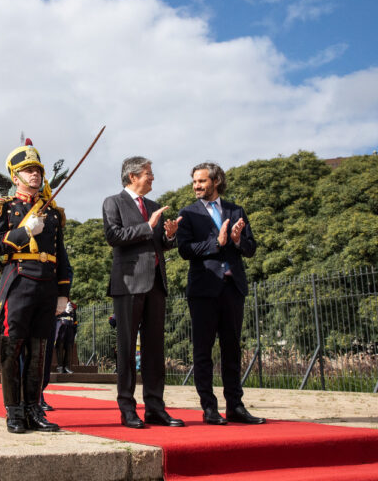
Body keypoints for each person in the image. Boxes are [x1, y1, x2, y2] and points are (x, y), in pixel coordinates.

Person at [0, 138, 71, 434]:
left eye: (37, 170)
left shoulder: (53, 213)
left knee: (39, 350)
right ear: (15, 176)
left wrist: (63, 292)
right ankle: (14, 411)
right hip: (20, 280)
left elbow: (61, 255)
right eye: (28, 170)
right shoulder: (3, 208)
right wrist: (23, 232)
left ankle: (34, 409)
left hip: (47, 284)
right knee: (13, 347)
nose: (35, 174)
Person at [176, 162, 265, 425]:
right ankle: (209, 408)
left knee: (232, 349)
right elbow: (184, 250)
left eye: (201, 181)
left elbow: (250, 248)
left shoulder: (236, 210)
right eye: (194, 182)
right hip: (203, 290)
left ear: (216, 181)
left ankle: (235, 405)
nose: (196, 186)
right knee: (203, 350)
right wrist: (217, 242)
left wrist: (237, 240)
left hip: (232, 289)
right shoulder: (188, 213)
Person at [102, 156, 184, 429]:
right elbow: (114, 236)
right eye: (148, 174)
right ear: (132, 176)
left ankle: (155, 407)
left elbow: (159, 243)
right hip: (128, 284)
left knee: (154, 349)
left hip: (156, 284)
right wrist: (147, 226)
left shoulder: (153, 206)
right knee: (126, 349)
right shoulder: (113, 202)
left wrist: (169, 235)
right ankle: (127, 408)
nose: (152, 178)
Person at [54, 300, 77, 374]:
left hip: (70, 327)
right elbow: (55, 315)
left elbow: (75, 319)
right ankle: (60, 366)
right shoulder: (58, 304)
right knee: (60, 346)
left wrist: (75, 329)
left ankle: (67, 367)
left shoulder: (72, 305)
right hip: (61, 326)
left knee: (69, 347)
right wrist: (65, 311)